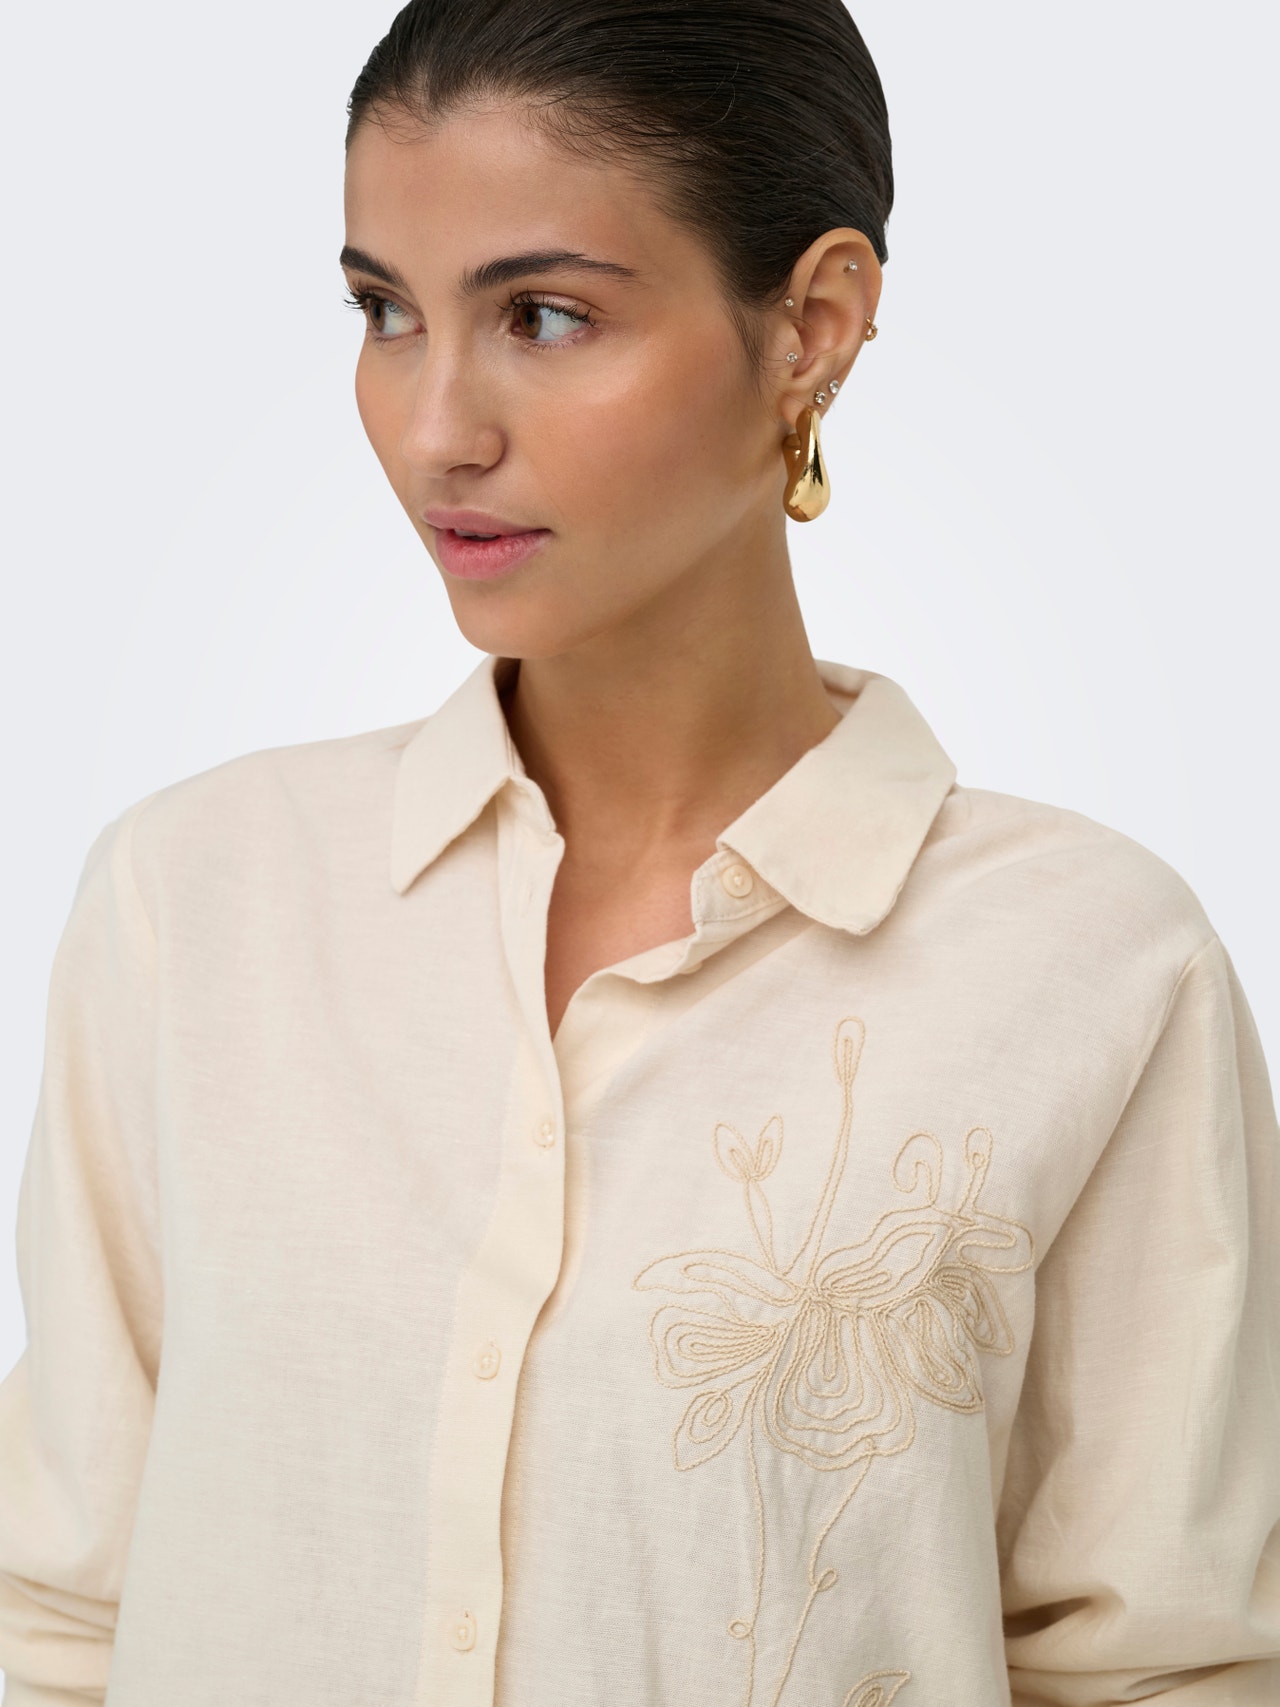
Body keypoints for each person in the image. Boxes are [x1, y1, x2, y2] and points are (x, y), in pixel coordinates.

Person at [1, 0, 1277, 1702]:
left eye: (544, 316)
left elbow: (1165, 1664)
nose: (436, 429)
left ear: (813, 328)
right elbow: (58, 1611)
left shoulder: (1094, 969)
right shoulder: (197, 899)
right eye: (385, 311)